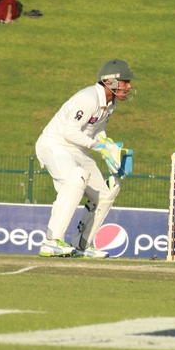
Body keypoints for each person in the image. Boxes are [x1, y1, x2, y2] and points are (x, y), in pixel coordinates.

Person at [35, 60, 139, 258]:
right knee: (76, 178)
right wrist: (100, 148)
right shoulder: (88, 98)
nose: (129, 86)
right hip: (55, 144)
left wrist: (109, 147)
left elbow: (96, 129)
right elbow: (69, 132)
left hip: (76, 148)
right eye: (125, 81)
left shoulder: (111, 102)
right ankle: (50, 242)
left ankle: (82, 244)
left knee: (107, 192)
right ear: (109, 81)